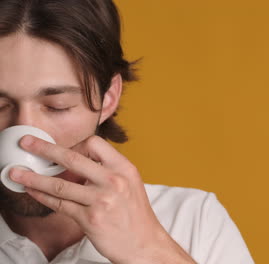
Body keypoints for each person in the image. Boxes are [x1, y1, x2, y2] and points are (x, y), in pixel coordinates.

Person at [0, 0, 254, 263]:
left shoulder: (192, 220)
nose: (25, 139)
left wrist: (148, 249)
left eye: (58, 106)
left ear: (108, 97)